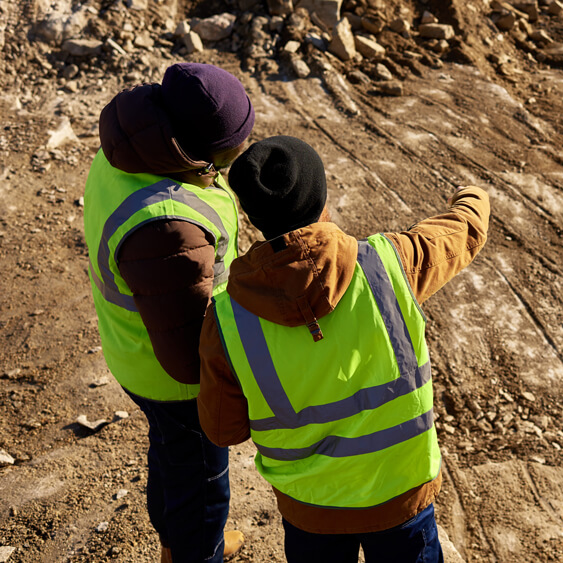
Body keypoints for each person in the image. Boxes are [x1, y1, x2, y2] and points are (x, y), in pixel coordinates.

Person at [197, 135, 490, 562]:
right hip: (402, 499)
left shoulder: (226, 321)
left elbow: (224, 430)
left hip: (310, 511)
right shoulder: (390, 264)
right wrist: (472, 194)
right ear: (322, 199)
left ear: (253, 216)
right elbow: (462, 233)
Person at [83, 62, 254, 562]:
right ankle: (195, 549)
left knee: (172, 457)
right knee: (201, 483)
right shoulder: (167, 230)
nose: (235, 159)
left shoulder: (132, 146)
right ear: (196, 157)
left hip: (135, 348)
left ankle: (179, 544)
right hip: (174, 380)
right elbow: (186, 357)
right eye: (228, 154)